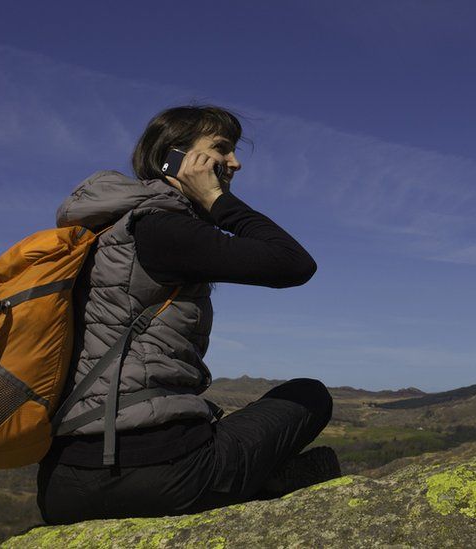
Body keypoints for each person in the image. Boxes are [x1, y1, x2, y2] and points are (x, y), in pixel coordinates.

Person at [37, 105, 341, 525]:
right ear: (176, 157)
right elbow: (292, 263)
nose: (234, 162)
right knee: (309, 395)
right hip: (162, 476)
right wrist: (218, 200)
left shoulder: (100, 233)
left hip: (61, 485)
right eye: (221, 149)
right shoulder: (161, 227)